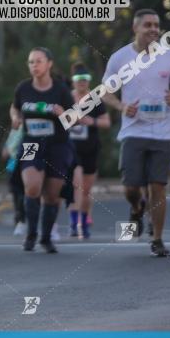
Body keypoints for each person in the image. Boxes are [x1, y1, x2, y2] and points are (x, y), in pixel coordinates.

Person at [100, 8, 170, 257]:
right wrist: (121, 106)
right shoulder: (120, 58)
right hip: (133, 131)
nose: (153, 29)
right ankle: (137, 207)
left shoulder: (169, 56)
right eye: (148, 25)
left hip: (164, 131)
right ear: (136, 28)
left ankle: (158, 239)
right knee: (131, 187)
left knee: (158, 186)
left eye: (156, 25)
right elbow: (105, 91)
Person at [10, 47, 73, 253]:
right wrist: (15, 118)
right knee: (32, 188)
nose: (34, 65)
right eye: (31, 62)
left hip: (57, 145)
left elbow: (75, 120)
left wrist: (63, 113)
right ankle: (31, 235)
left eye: (38, 61)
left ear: (49, 64)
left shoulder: (61, 89)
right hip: (31, 142)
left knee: (52, 195)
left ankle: (46, 238)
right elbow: (15, 107)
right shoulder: (23, 88)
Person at [66, 62, 111, 238]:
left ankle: (83, 224)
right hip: (70, 150)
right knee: (74, 187)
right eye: (79, 79)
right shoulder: (67, 98)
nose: (82, 83)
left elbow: (106, 122)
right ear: (73, 81)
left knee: (85, 189)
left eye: (85, 79)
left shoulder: (94, 100)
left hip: (90, 149)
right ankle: (72, 223)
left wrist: (90, 121)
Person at [2, 122, 27, 235]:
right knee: (16, 194)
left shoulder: (27, 131)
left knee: (23, 193)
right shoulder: (13, 132)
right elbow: (5, 153)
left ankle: (21, 218)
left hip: (25, 166)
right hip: (12, 167)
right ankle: (19, 217)